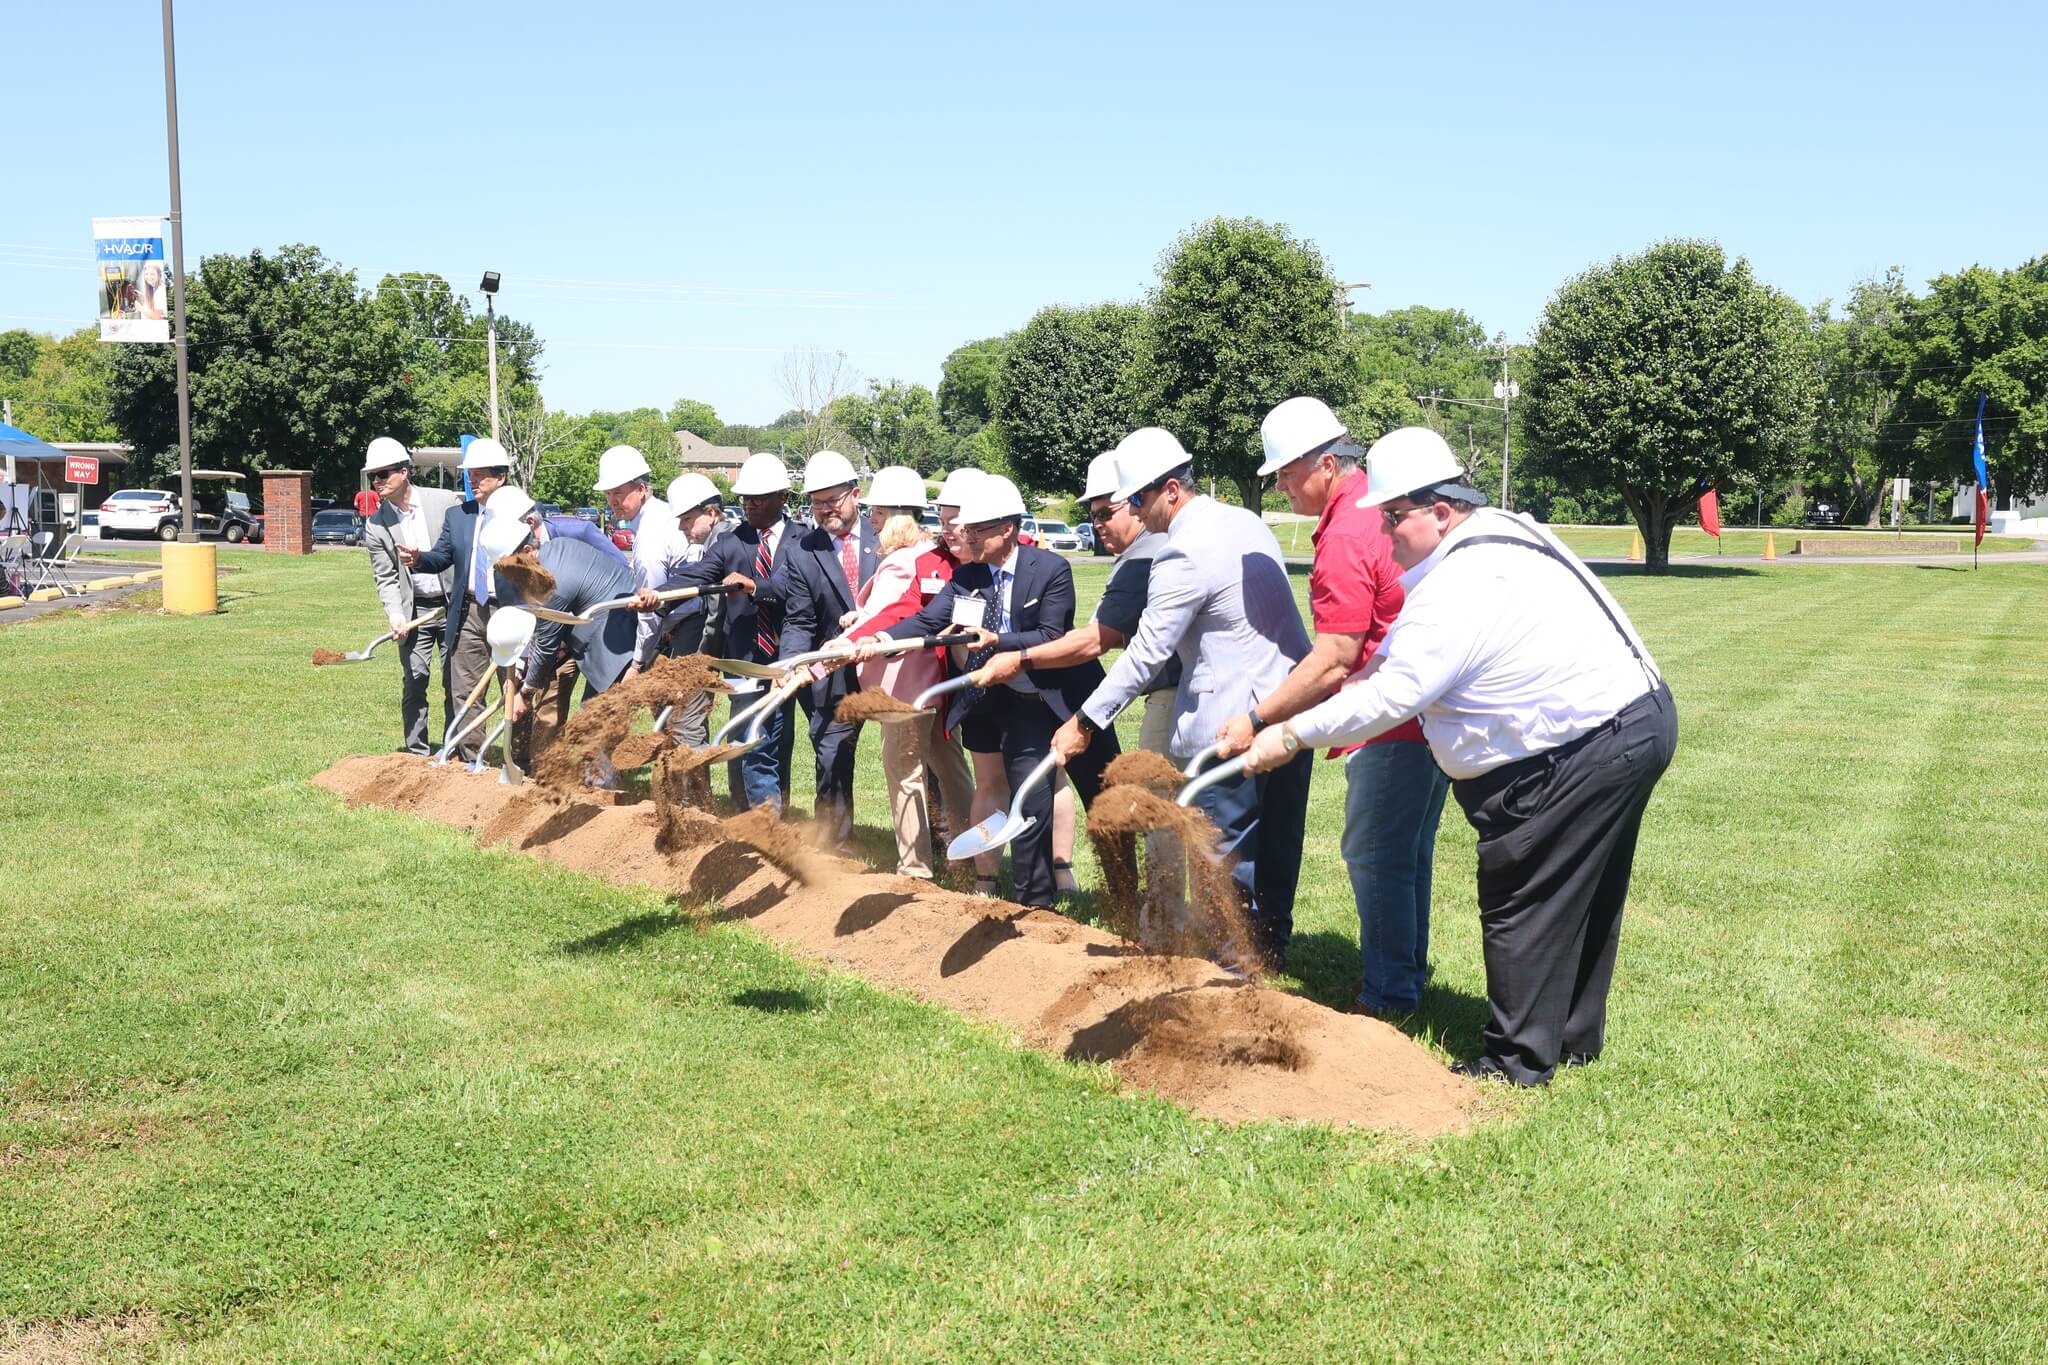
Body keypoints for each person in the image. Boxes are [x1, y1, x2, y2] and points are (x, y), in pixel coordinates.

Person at [1240, 427, 1678, 1086]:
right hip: (1632, 719)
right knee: (1586, 892)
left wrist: (1289, 733)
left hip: (1584, 742)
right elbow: (1392, 663)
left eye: (1393, 517)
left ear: (1440, 510)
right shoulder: (1498, 532)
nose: (1384, 534)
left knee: (1522, 892)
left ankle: (1515, 1062)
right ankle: (1572, 1037)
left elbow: (1398, 692)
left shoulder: (1458, 581)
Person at [1214, 398, 1451, 1019]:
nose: (1282, 486)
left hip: (1390, 726)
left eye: (1287, 473)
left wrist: (1259, 718)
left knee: (1374, 856)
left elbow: (1334, 658)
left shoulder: (1347, 533)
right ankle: (1404, 977)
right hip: (1429, 718)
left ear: (1326, 464)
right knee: (1406, 857)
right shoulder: (1374, 507)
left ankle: (1387, 998)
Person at [1051, 427, 1312, 968]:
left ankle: (1231, 962)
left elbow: (1146, 653)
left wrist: (1085, 721)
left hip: (1228, 722)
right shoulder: (1244, 520)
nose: (1138, 513)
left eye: (1140, 500)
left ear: (1171, 489)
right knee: (1279, 841)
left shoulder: (1181, 553)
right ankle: (1269, 948)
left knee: (1221, 850)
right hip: (1287, 706)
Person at [864, 475, 1120, 910]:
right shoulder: (968, 576)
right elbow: (928, 622)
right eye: (966, 528)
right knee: (1012, 792)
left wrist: (996, 641)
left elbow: (1049, 633)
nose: (967, 536)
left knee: (1066, 792)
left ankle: (1074, 896)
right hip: (1003, 701)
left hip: (1048, 697)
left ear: (1006, 529)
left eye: (977, 529)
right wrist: (881, 640)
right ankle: (1016, 894)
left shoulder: (1050, 569)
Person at [971, 450, 1186, 925]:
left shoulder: (1140, 558)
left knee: (1144, 809)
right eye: (1091, 516)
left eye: (1106, 512)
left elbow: (1092, 642)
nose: (1097, 525)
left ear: (1137, 502)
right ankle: (1128, 908)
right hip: (1120, 698)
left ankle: (1154, 915)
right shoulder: (1135, 556)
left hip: (1164, 697)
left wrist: (1017, 656)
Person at [816, 466, 952, 877]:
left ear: (896, 517)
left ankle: (915, 865)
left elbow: (889, 618)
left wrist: (843, 642)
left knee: (903, 770)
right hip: (936, 682)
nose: (871, 520)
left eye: (876, 513)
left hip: (901, 687)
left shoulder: (897, 565)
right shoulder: (932, 557)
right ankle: (973, 862)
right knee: (949, 767)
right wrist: (860, 615)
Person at [479, 508, 640, 785]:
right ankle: (599, 782)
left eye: (511, 566)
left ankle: (602, 790)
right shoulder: (555, 551)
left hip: (618, 638)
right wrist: (519, 671)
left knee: (597, 716)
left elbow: (546, 645)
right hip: (605, 632)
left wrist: (525, 694)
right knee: (594, 713)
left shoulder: (553, 581)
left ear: (528, 550)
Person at [777, 450, 880, 847]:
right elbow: (800, 619)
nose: (823, 510)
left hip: (892, 665)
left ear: (855, 494)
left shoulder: (885, 538)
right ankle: (834, 846)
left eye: (832, 500)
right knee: (831, 752)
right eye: (816, 503)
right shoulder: (804, 550)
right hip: (832, 671)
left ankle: (937, 842)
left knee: (916, 756)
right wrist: (793, 664)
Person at [397, 436, 513, 762]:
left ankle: (520, 758)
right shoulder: (458, 515)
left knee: (513, 687)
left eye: (479, 474)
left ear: (500, 477)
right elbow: (441, 558)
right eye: (469, 474)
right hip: (470, 611)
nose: (472, 480)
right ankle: (473, 759)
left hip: (510, 611)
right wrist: (420, 559)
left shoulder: (521, 512)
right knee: (465, 690)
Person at [360, 437, 462, 755]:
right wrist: (396, 615)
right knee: (416, 679)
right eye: (372, 476)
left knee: (455, 682)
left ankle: (456, 748)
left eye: (383, 473)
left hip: (451, 608)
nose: (377, 481)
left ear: (404, 472)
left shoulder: (444, 502)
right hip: (415, 611)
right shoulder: (376, 526)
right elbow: (386, 577)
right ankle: (417, 752)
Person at [710, 453, 800, 812]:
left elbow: (784, 586)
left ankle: (779, 810)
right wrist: (659, 593)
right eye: (746, 498)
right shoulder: (732, 542)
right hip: (744, 657)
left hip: (787, 655)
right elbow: (702, 572)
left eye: (759, 498)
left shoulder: (803, 541)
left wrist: (752, 586)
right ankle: (747, 810)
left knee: (780, 737)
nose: (750, 505)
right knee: (746, 731)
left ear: (783, 498)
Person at [632, 472, 737, 748]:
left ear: (711, 513)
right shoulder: (716, 541)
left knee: (687, 718)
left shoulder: (725, 541)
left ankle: (691, 789)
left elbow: (715, 613)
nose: (681, 527)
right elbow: (695, 576)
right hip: (720, 647)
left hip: (734, 649)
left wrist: (698, 664)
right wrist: (659, 597)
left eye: (687, 519)